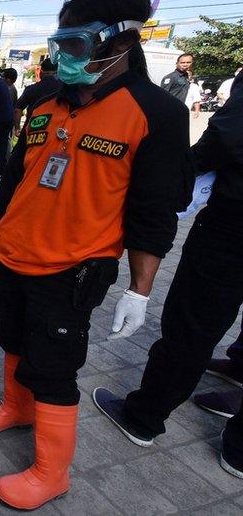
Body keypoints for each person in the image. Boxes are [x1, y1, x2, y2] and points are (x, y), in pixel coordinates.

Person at [0, 0, 191, 510]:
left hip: (71, 269)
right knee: (11, 336)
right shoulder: (46, 101)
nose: (65, 56)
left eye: (77, 45)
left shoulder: (157, 113)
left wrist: (140, 290)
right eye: (60, 43)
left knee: (55, 366)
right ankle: (15, 408)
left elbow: (154, 211)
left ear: (121, 43)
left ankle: (51, 472)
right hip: (14, 255)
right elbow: (16, 175)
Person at [92, 67, 243, 478]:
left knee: (193, 323)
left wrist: (178, 171)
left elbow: (227, 138)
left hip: (234, 226)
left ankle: (144, 417)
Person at [13, 58, 63, 136]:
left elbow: (17, 110)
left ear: (41, 72)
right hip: (55, 133)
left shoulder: (31, 89)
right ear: (57, 72)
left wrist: (17, 129)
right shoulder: (65, 89)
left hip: (32, 131)